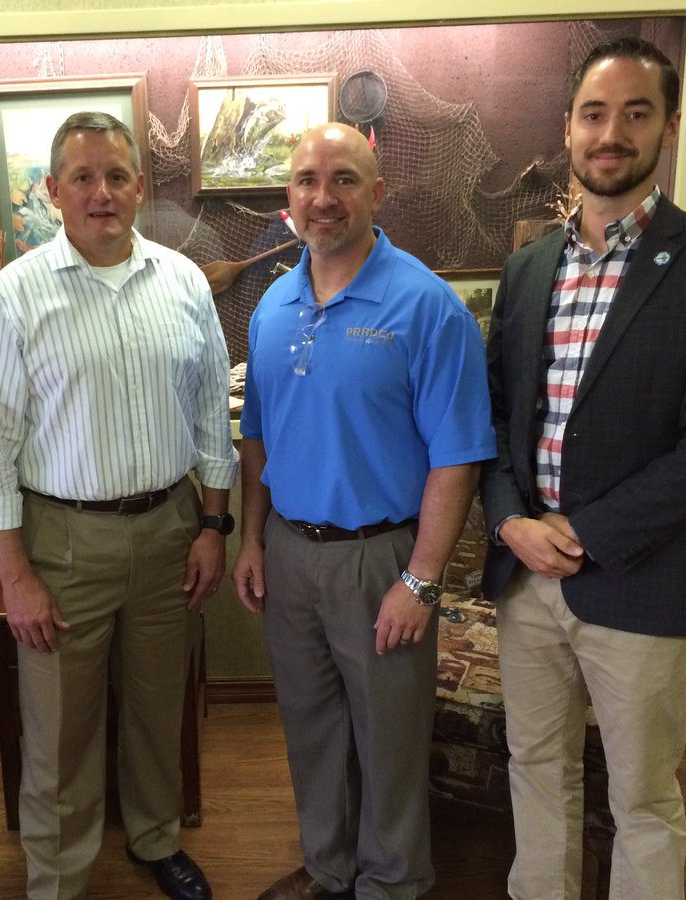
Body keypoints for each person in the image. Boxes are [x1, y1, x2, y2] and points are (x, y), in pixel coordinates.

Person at [481, 38, 686, 900]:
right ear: (568, 127)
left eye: (636, 114)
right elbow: (496, 421)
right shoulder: (527, 268)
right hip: (525, 578)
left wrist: (583, 533)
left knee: (642, 799)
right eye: (594, 114)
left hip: (641, 578)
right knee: (536, 769)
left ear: (669, 127)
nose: (611, 134)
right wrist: (510, 521)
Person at [0, 111, 238, 900]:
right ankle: (57, 878)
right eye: (82, 177)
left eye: (116, 176)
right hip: (62, 541)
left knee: (157, 706)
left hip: (170, 528)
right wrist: (15, 577)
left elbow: (209, 414)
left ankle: (155, 838)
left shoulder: (183, 283)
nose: (101, 192)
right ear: (53, 191)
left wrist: (213, 526)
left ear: (139, 186)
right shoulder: (13, 298)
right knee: (59, 728)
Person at [232, 123, 496, 900]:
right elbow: (256, 438)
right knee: (311, 728)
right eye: (307, 180)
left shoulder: (426, 306)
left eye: (344, 179)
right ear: (288, 199)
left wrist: (421, 581)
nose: (324, 197)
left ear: (377, 192)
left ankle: (392, 883)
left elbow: (458, 457)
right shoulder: (272, 306)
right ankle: (329, 871)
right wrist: (251, 541)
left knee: (388, 740)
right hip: (289, 554)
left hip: (381, 559)